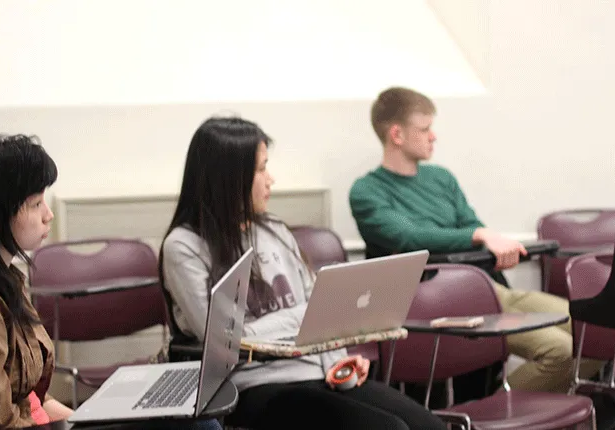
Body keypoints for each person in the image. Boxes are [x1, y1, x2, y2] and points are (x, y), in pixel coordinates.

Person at [0, 134, 222, 430]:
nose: (49, 215)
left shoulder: (2, 280)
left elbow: (31, 399)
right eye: (35, 204)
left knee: (191, 415)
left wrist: (95, 421)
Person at [160, 116, 447, 430]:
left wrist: (338, 360)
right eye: (260, 169)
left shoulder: (275, 231)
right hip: (253, 387)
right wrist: (305, 317)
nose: (271, 179)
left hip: (318, 372)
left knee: (429, 426)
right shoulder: (184, 246)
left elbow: (322, 309)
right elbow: (223, 338)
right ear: (229, 178)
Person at [349, 87, 604, 396]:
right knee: (560, 351)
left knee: (599, 331)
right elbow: (407, 237)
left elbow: (470, 223)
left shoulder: (441, 178)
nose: (433, 137)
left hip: (486, 286)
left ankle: (507, 408)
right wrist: (479, 236)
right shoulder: (366, 192)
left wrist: (484, 238)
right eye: (425, 129)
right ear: (397, 134)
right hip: (435, 303)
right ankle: (495, 413)